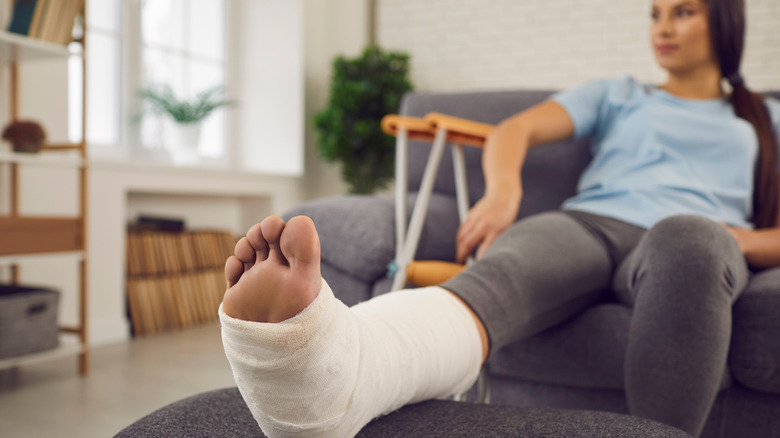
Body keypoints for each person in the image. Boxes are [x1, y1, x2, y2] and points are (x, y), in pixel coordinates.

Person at [219, 0, 780, 436]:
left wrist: (747, 242)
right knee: (504, 273)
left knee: (687, 240)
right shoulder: (621, 94)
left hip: (692, 236)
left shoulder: (766, 117)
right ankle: (330, 377)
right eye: (655, 13)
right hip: (589, 224)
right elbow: (516, 130)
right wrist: (504, 191)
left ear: (725, 20)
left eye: (684, 12)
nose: (663, 26)